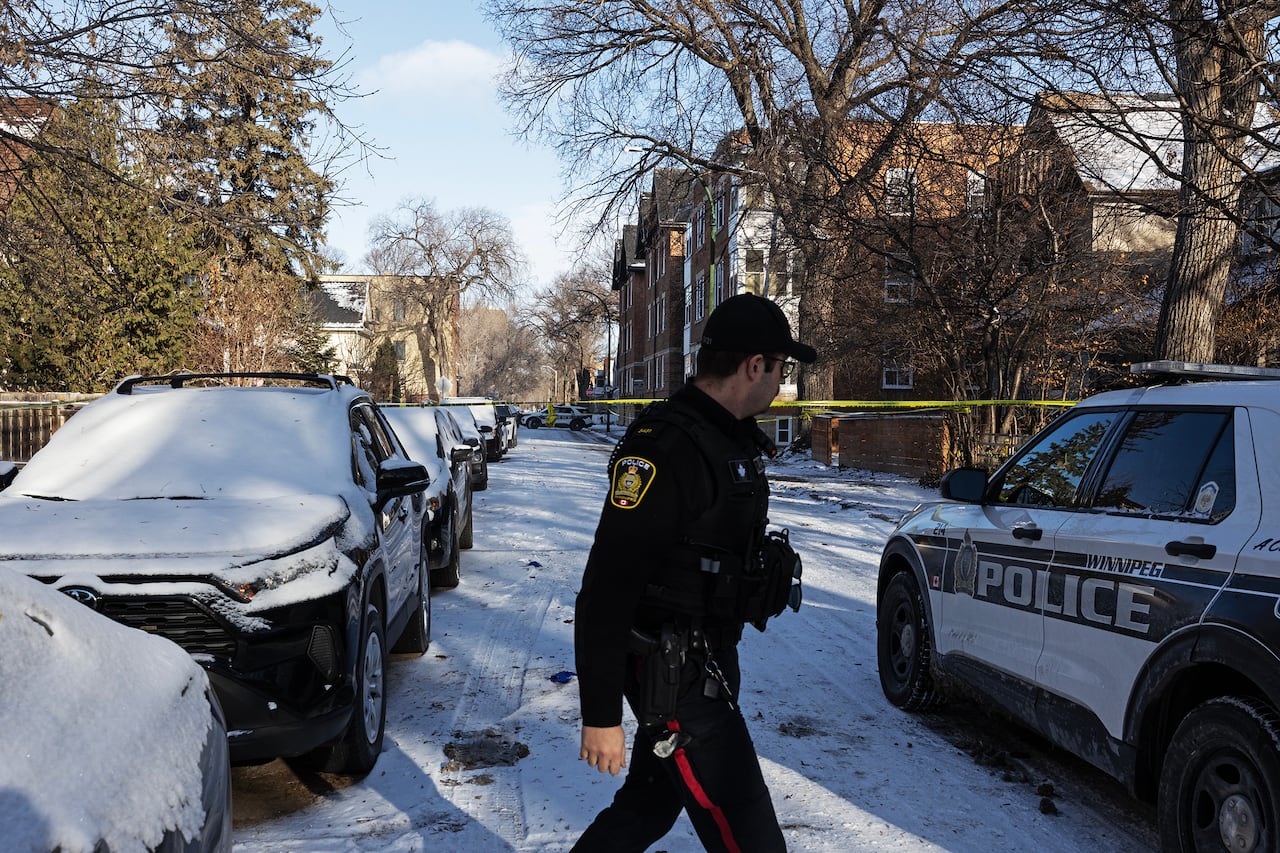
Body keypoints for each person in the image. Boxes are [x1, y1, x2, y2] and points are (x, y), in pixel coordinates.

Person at [572, 293, 817, 853]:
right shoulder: (667, 449)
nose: (781, 383)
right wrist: (601, 715)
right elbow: (606, 588)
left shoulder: (727, 436)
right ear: (754, 365)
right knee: (749, 833)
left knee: (648, 807)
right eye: (781, 368)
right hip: (674, 674)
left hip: (705, 658)